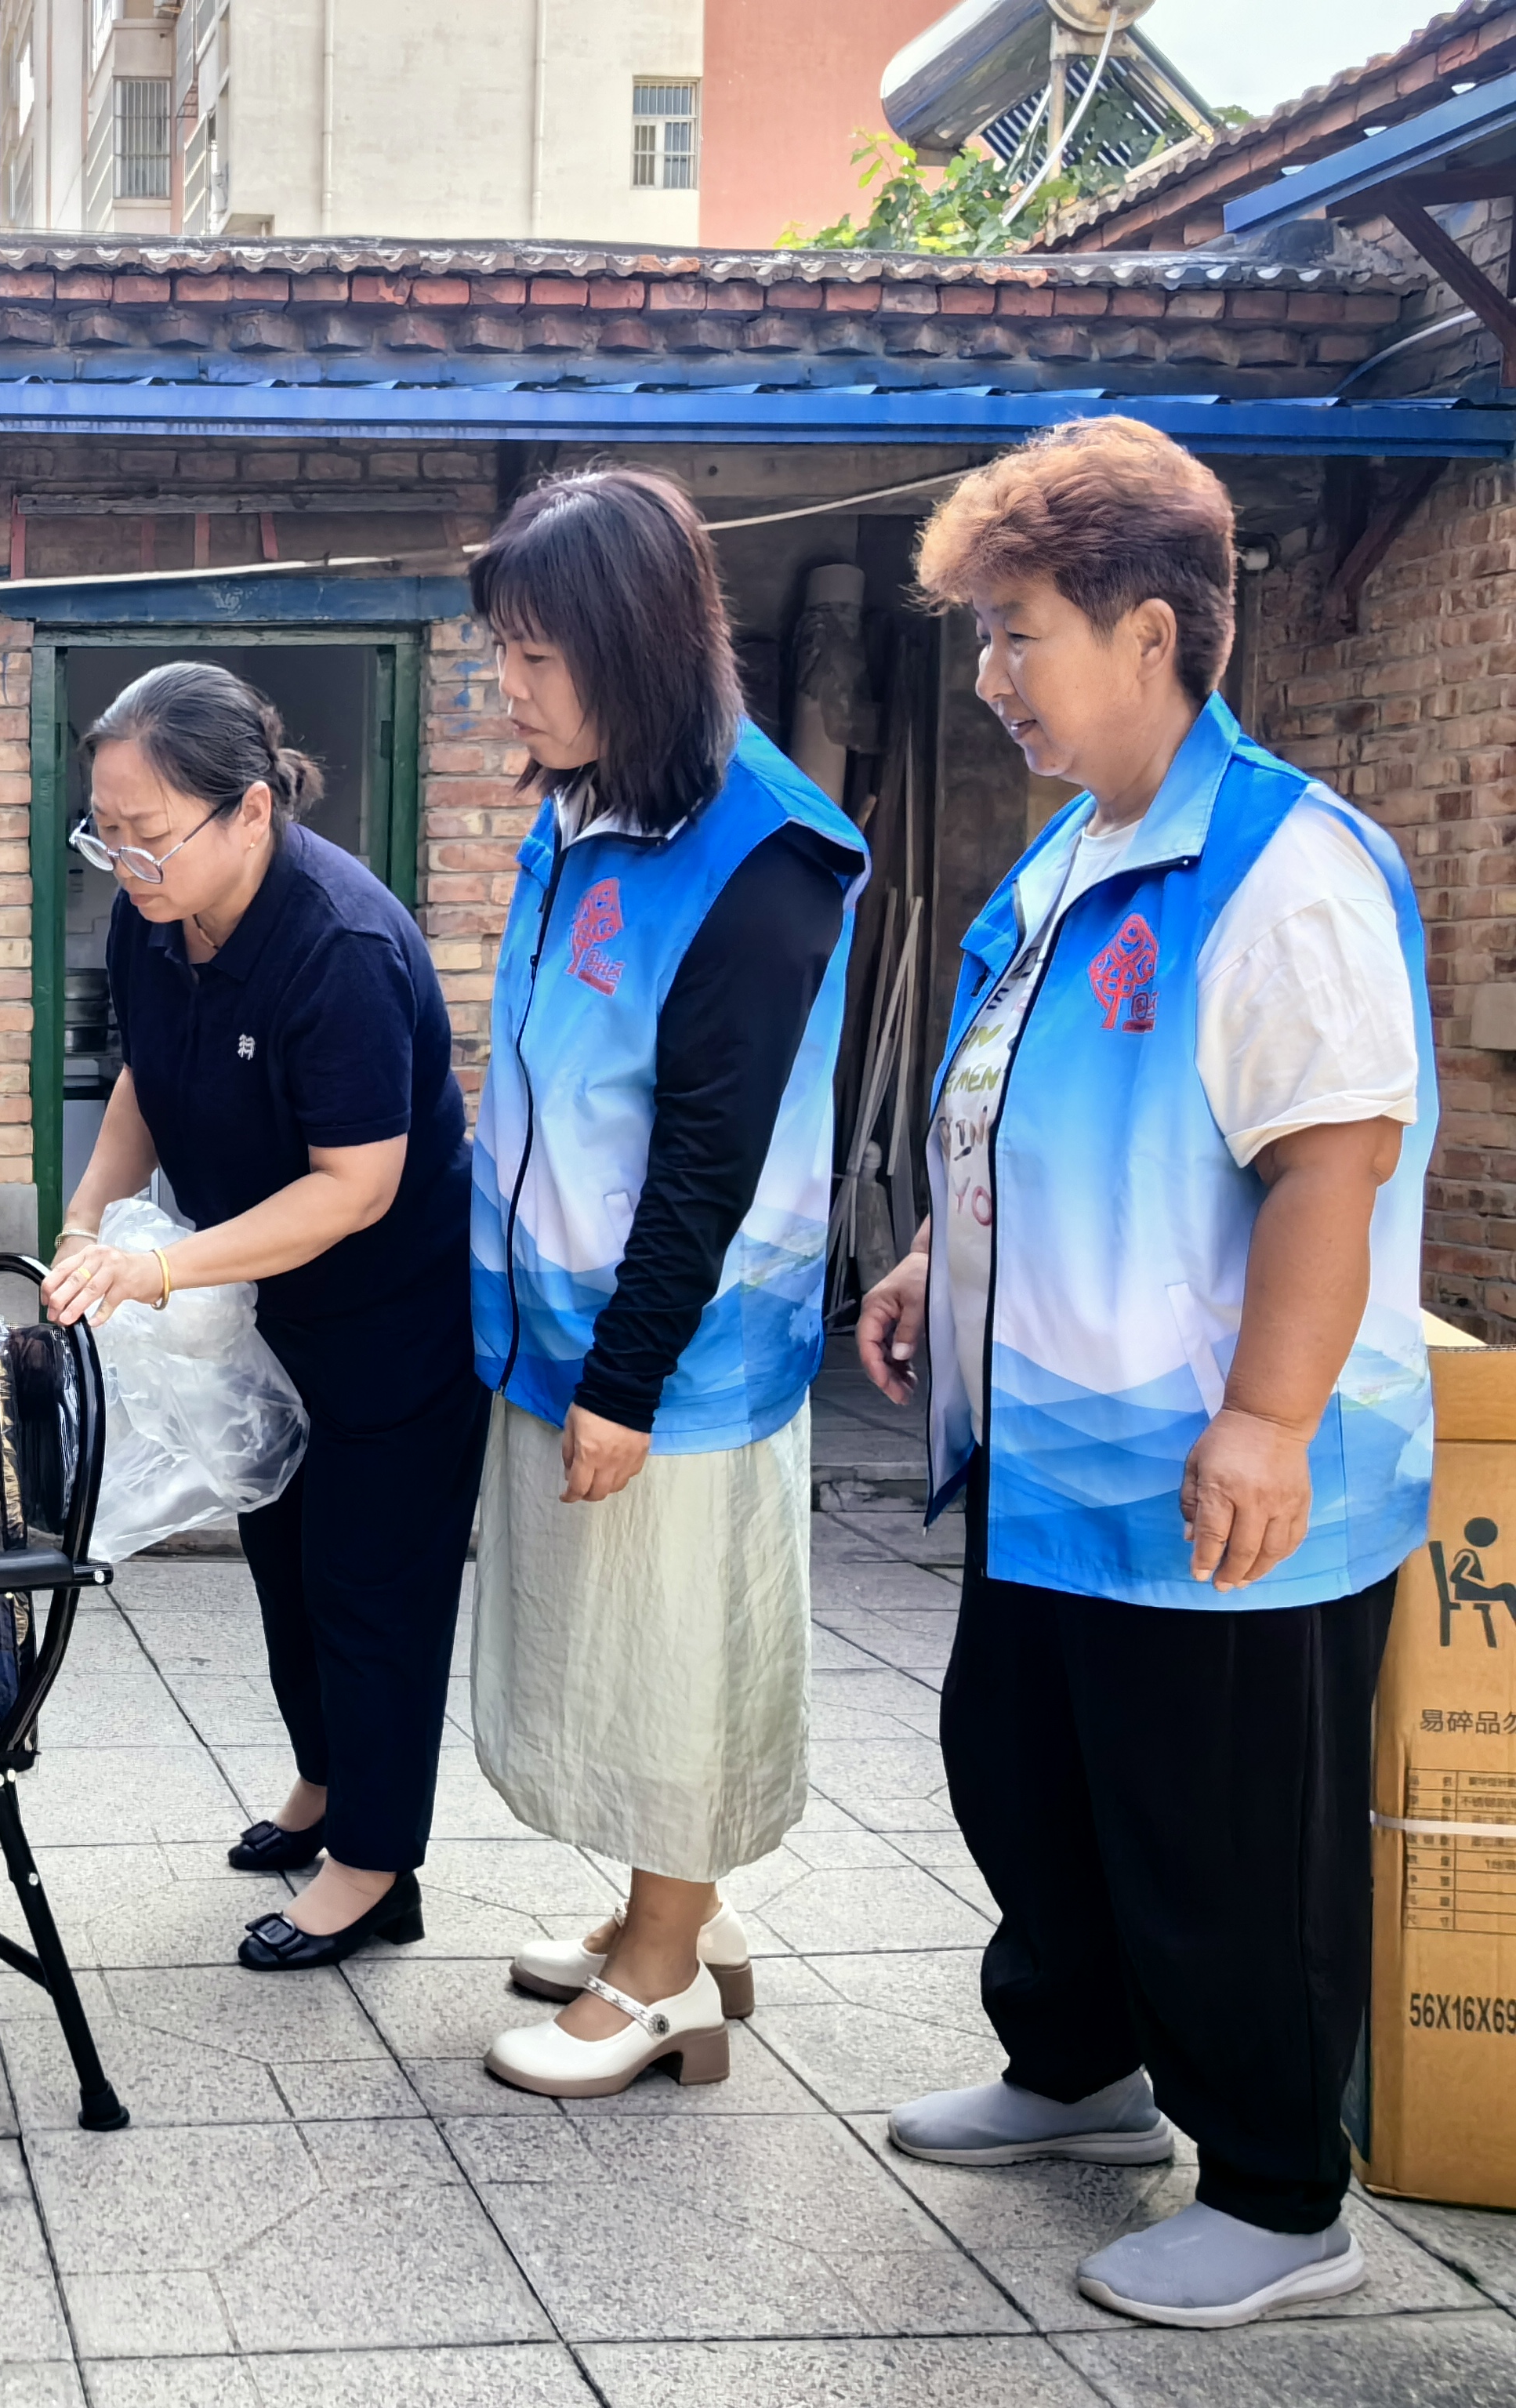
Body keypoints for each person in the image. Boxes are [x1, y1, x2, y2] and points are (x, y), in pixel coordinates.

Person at [857, 416, 1428, 2330]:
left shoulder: (1282, 870)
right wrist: (935, 1255)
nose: (989, 676)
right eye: (983, 637)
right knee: (1029, 1772)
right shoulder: (1071, 857)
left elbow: (1329, 1162)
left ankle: (1276, 2194)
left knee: (1221, 1832)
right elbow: (1019, 1106)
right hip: (1048, 1452)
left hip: (1212, 1468)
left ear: (1153, 632)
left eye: (1016, 633)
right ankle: (1077, 2067)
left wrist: (1264, 1421)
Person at [465, 468, 868, 2095]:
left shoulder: (761, 856)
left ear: (633, 648)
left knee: (675, 1651)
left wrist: (624, 1378)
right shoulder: (590, 799)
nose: (505, 686)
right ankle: (668, 1908)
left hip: (675, 1352)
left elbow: (709, 1157)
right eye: (499, 650)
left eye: (535, 657)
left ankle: (664, 1976)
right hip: (563, 1321)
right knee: (615, 1649)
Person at [42, 664, 489, 1972]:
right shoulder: (155, 913)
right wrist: (87, 1216)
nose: (124, 862)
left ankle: (376, 1867)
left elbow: (359, 1187)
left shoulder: (339, 947)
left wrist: (162, 1272)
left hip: (393, 1317)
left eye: (147, 833)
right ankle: (324, 1783)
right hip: (260, 1308)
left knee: (371, 1585)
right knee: (284, 1559)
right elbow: (145, 1073)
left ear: (249, 810)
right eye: (103, 833)